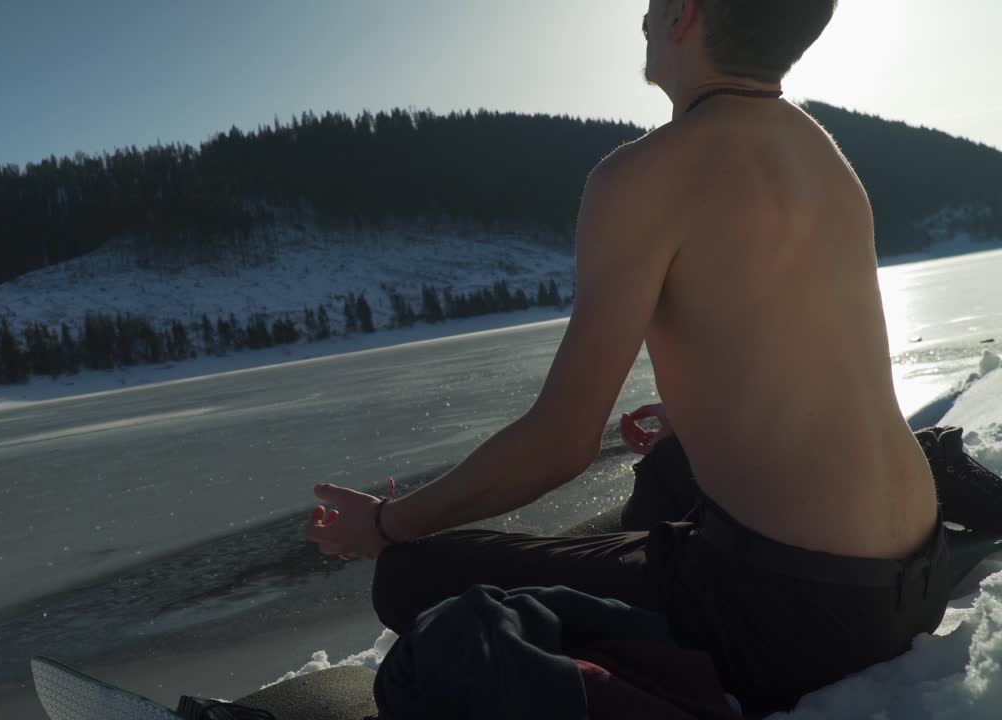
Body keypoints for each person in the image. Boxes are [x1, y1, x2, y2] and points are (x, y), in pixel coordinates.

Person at [306, 0, 952, 715]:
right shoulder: (820, 153)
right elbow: (814, 347)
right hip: (916, 572)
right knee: (671, 470)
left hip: (796, 614)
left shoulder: (645, 173)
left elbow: (558, 445)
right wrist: (699, 414)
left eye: (652, 4)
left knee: (409, 578)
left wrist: (386, 525)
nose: (643, 18)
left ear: (684, 16)